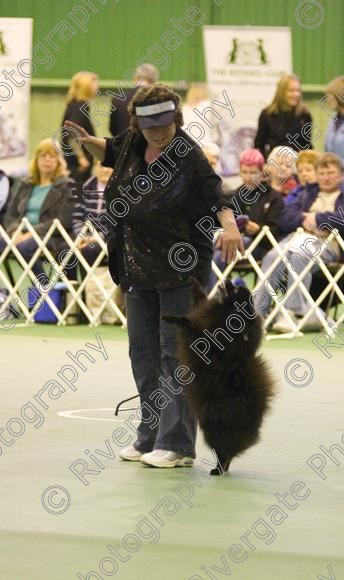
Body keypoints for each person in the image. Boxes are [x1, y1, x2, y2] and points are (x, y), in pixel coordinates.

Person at [64, 83, 243, 469]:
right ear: (138, 123)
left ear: (176, 118)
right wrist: (86, 141)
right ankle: (150, 436)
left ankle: (177, 444)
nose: (159, 133)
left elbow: (216, 195)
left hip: (179, 266)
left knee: (173, 354)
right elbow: (110, 150)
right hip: (134, 262)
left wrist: (229, 226)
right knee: (142, 353)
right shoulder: (131, 141)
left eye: (165, 124)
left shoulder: (188, 155)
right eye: (151, 126)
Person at [253, 153, 344, 333]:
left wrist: (318, 219)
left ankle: (292, 313)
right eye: (322, 173)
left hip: (329, 243)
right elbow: (285, 217)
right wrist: (303, 219)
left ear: (341, 175)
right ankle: (257, 314)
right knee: (273, 256)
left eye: (330, 173)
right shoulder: (307, 194)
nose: (326, 177)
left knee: (300, 256)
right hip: (297, 237)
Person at [0, 139, 74, 285]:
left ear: (59, 161)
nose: (47, 160)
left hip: (51, 236)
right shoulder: (25, 183)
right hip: (19, 234)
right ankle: (7, 293)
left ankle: (44, 287)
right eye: (43, 155)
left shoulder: (69, 185)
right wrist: (15, 231)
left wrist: (30, 234)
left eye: (52, 156)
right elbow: (11, 215)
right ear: (36, 159)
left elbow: (64, 220)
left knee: (24, 247)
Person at [210, 149, 283, 288]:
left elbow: (277, 232)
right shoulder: (232, 196)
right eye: (244, 172)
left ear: (262, 173)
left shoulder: (274, 198)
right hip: (230, 244)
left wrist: (258, 230)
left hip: (260, 245)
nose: (248, 177)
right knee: (207, 251)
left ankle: (213, 299)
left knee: (219, 256)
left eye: (253, 172)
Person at [254, 74, 313, 159]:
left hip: (297, 167)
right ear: (281, 92)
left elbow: (307, 145)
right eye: (291, 90)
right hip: (274, 166)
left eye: (298, 91)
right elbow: (259, 146)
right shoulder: (267, 115)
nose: (296, 94)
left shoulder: (304, 115)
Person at [72, 161, 113, 266]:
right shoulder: (81, 188)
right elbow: (76, 217)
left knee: (88, 251)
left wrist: (97, 238)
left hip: (108, 238)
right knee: (65, 248)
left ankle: (86, 283)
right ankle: (70, 282)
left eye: (109, 166)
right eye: (101, 166)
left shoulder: (121, 191)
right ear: (95, 167)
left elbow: (117, 223)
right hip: (83, 235)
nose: (105, 170)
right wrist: (82, 236)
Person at [61, 71, 99, 181]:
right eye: (94, 83)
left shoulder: (76, 106)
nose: (97, 87)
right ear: (86, 86)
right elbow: (71, 134)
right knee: (75, 194)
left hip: (76, 162)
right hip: (76, 165)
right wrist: (81, 157)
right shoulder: (78, 108)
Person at [109, 64, 159, 137]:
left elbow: (112, 128)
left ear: (135, 77)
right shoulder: (158, 100)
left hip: (121, 146)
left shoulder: (117, 99)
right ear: (154, 81)